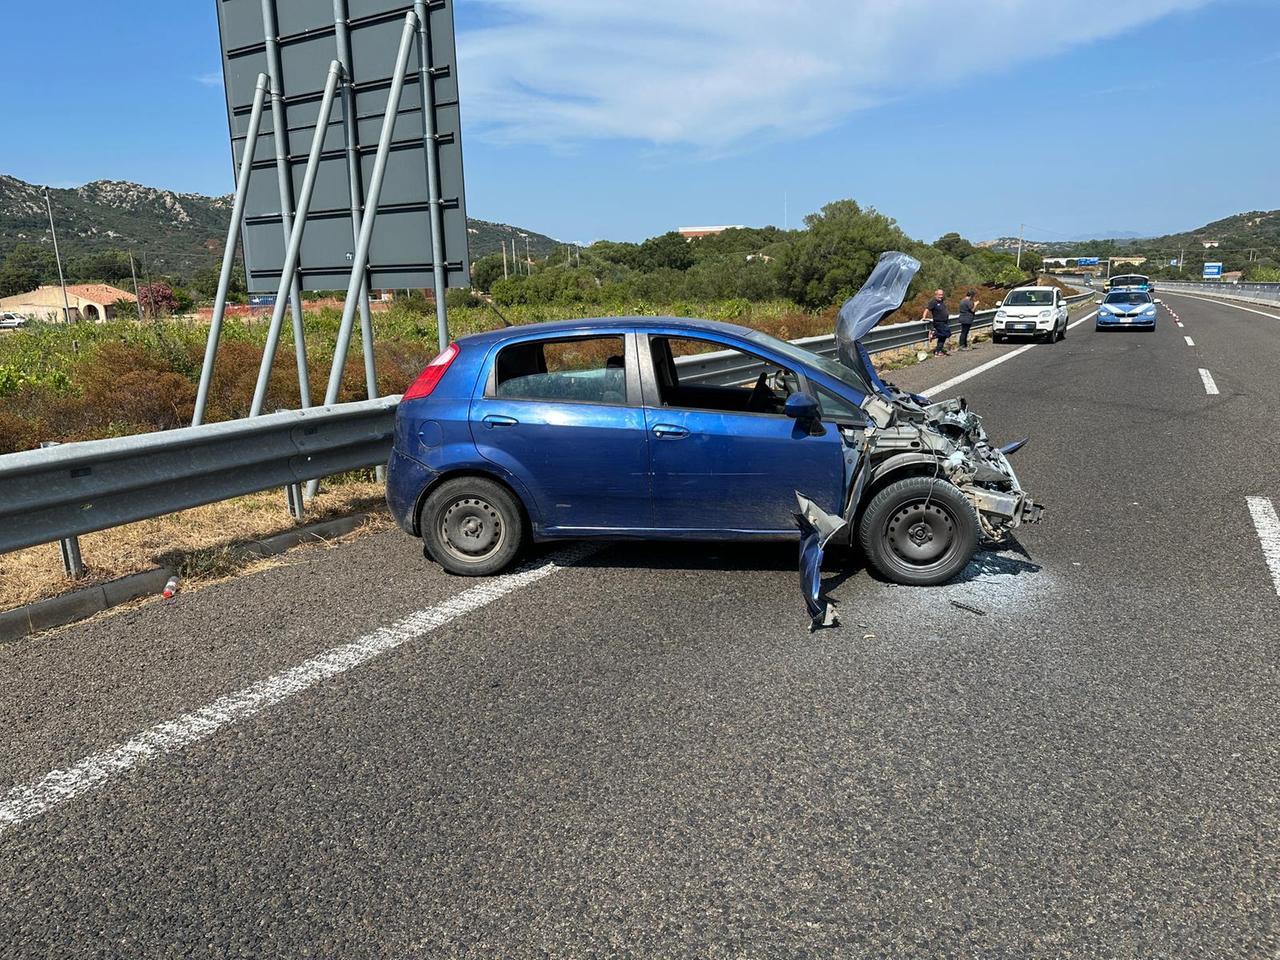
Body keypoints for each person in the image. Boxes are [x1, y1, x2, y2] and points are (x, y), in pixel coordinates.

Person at [923, 288, 950, 356]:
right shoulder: (933, 302)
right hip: (938, 322)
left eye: (942, 295)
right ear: (936, 295)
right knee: (944, 335)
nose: (941, 296)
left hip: (944, 322)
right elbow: (927, 309)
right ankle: (937, 351)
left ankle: (938, 349)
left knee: (944, 336)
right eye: (939, 295)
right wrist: (924, 317)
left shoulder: (942, 301)